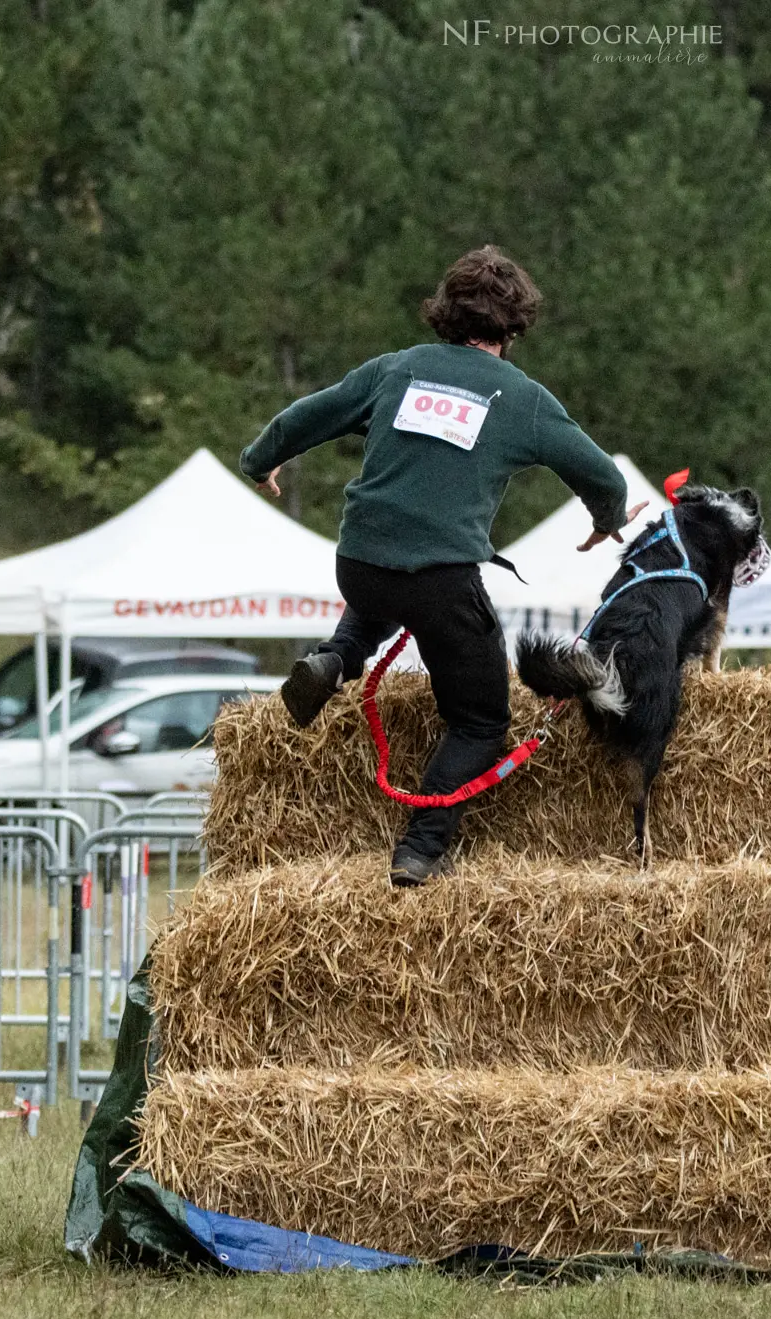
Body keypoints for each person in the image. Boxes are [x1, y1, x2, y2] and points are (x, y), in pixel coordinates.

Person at [239, 246, 640, 886]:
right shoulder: (523, 398)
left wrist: (261, 461)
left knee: (380, 591)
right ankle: (421, 848)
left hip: (360, 559)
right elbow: (602, 475)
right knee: (481, 718)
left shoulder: (396, 369)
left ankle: (336, 659)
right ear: (514, 326)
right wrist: (605, 520)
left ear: (444, 313)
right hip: (441, 580)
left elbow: (304, 417)